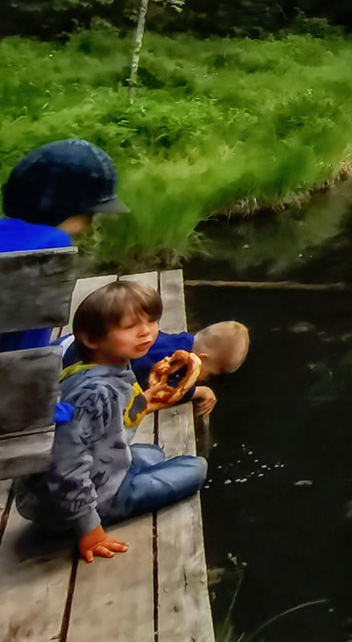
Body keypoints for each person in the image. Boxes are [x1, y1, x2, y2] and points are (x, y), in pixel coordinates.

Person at [0, 139, 252, 376]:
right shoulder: (49, 245)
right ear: (62, 207)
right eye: (89, 214)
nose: (90, 223)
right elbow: (23, 351)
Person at [14, 280, 210, 562]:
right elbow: (65, 464)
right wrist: (89, 528)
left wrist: (143, 401)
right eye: (130, 327)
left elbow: (104, 426)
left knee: (153, 452)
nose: (147, 332)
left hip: (69, 481)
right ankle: (90, 516)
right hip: (72, 504)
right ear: (92, 338)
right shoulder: (94, 393)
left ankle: (114, 488)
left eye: (151, 321)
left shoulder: (97, 365)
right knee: (195, 468)